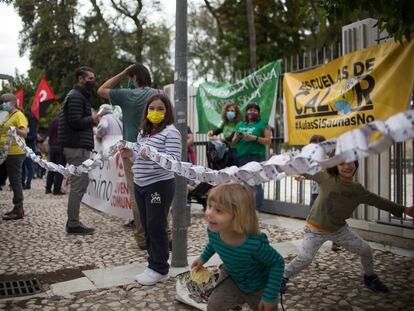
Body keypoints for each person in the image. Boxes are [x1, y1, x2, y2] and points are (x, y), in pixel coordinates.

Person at [281, 161, 414, 294]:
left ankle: (370, 278)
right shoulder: (326, 177)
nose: (347, 166)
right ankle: (282, 277)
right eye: (342, 163)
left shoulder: (357, 190)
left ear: (356, 165)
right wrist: (282, 163)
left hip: (339, 231)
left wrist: (404, 209)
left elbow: (378, 201)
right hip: (314, 230)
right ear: (335, 166)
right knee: (305, 258)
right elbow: (303, 170)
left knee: (366, 250)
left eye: (351, 163)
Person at [119, 94, 181, 285]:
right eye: (152, 108)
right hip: (140, 184)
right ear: (146, 111)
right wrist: (131, 154)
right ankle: (153, 263)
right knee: (146, 226)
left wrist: (152, 156)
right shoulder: (143, 133)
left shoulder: (171, 132)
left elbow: (173, 161)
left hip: (159, 185)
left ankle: (160, 268)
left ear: (167, 111)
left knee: (156, 226)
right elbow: (139, 157)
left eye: (160, 109)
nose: (155, 112)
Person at [192, 182, 284, 311]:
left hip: (259, 286)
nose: (209, 213)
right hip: (232, 278)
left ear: (238, 216)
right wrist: (203, 258)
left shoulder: (254, 244)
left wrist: (270, 295)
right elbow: (213, 244)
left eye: (218, 210)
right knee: (214, 306)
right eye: (209, 206)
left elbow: (277, 263)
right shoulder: (214, 231)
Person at [98, 64, 157, 249]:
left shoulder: (126, 95)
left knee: (136, 194)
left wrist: (122, 72)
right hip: (154, 150)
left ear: (133, 78)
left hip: (130, 150)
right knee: (158, 191)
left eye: (130, 77)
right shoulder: (158, 94)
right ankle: (164, 234)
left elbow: (102, 90)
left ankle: (142, 238)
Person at [58, 66, 99, 235]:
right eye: (90, 78)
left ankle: (73, 221)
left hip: (78, 146)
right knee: (78, 184)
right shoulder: (76, 96)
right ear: (81, 78)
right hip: (76, 147)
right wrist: (93, 119)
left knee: (80, 183)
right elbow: (75, 122)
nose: (93, 81)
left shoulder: (79, 96)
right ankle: (73, 223)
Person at [232, 103, 272, 212]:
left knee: (257, 184)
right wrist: (238, 137)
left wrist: (254, 138)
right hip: (243, 157)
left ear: (258, 113)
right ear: (246, 112)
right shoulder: (240, 124)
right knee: (245, 184)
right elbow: (233, 142)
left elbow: (268, 140)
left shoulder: (263, 124)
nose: (252, 112)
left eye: (255, 110)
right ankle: (246, 209)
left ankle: (257, 210)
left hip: (257, 157)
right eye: (250, 110)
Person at [308, 135, 339, 252]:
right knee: (313, 216)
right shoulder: (310, 160)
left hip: (328, 193)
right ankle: (313, 240)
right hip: (315, 193)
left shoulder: (329, 160)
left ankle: (336, 240)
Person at [0, 93, 28, 220]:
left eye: (4, 101)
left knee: (15, 181)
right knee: (11, 180)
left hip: (15, 152)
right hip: (6, 152)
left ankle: (18, 208)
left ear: (12, 103)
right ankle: (17, 207)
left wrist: (14, 129)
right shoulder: (8, 115)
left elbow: (24, 133)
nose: (2, 104)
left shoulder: (18, 115)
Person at [208, 101, 243, 167]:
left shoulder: (239, 123)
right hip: (227, 150)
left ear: (236, 113)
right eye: (228, 111)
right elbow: (218, 130)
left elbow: (232, 136)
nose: (230, 112)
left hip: (237, 150)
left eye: (232, 111)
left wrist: (223, 139)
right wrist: (211, 132)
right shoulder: (225, 123)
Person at [45, 116, 66, 195]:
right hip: (60, 147)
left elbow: (49, 133)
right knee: (60, 169)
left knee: (51, 168)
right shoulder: (64, 121)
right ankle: (56, 190)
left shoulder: (53, 121)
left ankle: (48, 188)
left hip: (52, 146)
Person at [21, 111, 36, 189]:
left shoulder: (32, 126)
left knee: (29, 166)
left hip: (29, 148)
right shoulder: (23, 125)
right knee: (22, 166)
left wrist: (25, 137)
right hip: (23, 147)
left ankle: (28, 183)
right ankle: (22, 183)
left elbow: (33, 136)